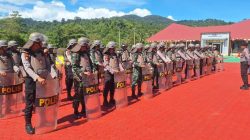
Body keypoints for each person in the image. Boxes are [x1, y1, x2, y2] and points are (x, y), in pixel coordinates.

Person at [21, 32, 57, 134]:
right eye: (38, 43)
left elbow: (49, 66)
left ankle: (43, 120)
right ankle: (28, 124)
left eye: (40, 43)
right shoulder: (25, 53)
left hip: (44, 81)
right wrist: (37, 78)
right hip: (31, 82)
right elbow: (27, 68)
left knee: (42, 102)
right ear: (33, 43)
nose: (40, 44)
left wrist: (54, 75)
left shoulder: (42, 52)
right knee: (30, 104)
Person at [71, 37, 94, 118]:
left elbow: (90, 64)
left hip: (87, 77)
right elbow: (74, 66)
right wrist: (83, 73)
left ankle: (84, 109)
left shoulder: (86, 53)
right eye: (85, 46)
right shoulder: (75, 53)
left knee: (85, 94)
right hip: (79, 78)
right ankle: (76, 111)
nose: (87, 47)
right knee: (78, 95)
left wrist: (93, 71)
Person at [0, 40, 20, 118]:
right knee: (1, 95)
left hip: (10, 75)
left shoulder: (9, 55)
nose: (5, 48)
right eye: (4, 47)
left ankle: (8, 109)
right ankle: (0, 111)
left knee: (9, 94)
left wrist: (17, 70)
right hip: (1, 77)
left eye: (6, 47)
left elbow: (14, 64)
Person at [103, 41, 123, 107]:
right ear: (108, 48)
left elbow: (119, 62)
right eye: (111, 48)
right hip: (108, 72)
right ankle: (105, 100)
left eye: (113, 48)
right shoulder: (106, 55)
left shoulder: (115, 54)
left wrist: (122, 69)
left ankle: (111, 99)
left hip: (115, 72)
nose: (112, 49)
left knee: (112, 87)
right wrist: (112, 70)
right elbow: (106, 65)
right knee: (107, 87)